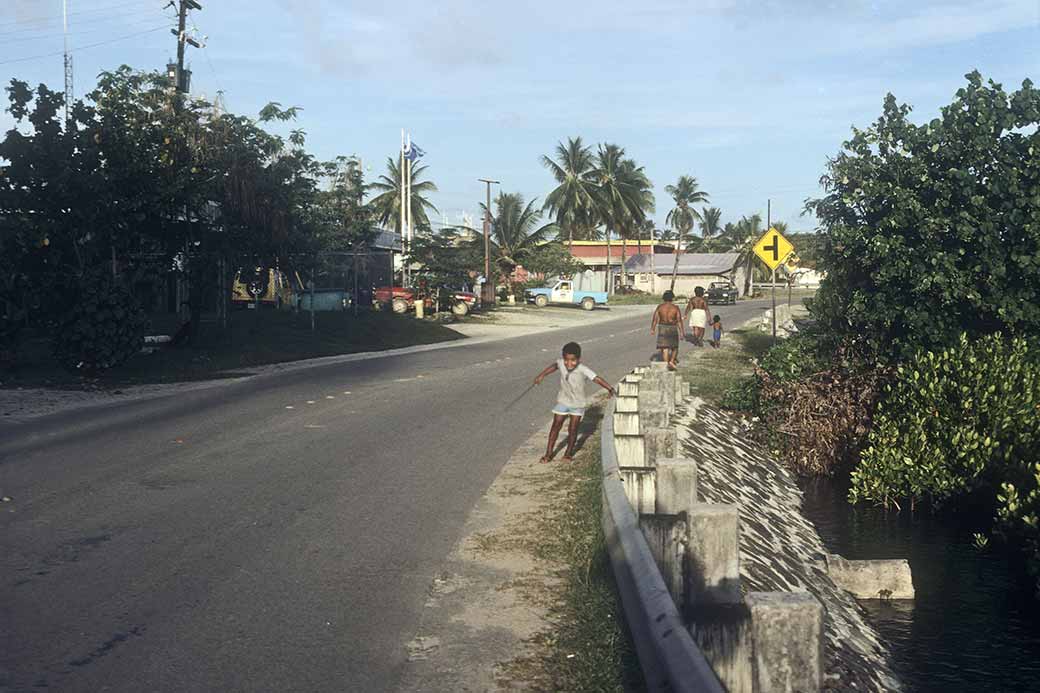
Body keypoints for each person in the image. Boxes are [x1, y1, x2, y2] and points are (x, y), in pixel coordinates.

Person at [533, 342, 615, 463]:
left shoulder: (583, 369)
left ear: (578, 359)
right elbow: (554, 366)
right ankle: (548, 453)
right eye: (566, 360)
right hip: (563, 400)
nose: (569, 363)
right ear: (563, 358)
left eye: (573, 360)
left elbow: (596, 378)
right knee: (556, 425)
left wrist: (610, 388)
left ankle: (568, 453)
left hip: (577, 404)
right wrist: (541, 375)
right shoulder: (561, 363)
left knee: (573, 429)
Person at [650, 290, 685, 370]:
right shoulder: (675, 308)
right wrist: (682, 332)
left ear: (664, 298)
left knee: (665, 347)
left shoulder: (660, 307)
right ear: (672, 298)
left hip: (662, 327)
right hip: (672, 327)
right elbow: (679, 320)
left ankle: (666, 363)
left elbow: (655, 319)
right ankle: (672, 361)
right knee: (674, 347)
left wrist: (653, 329)